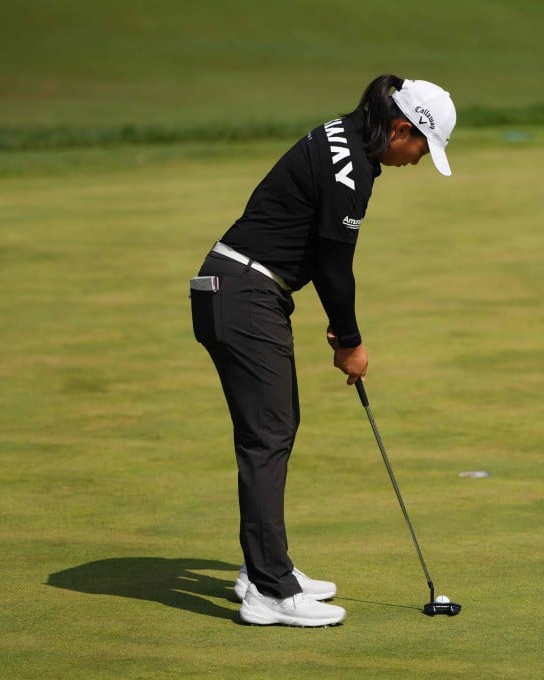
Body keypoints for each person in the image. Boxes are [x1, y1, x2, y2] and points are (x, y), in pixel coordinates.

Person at [189, 75, 456, 627]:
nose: (418, 161)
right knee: (268, 436)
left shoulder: (348, 138)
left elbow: (315, 247)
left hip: (239, 289)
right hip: (245, 293)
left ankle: (264, 567)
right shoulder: (352, 168)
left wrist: (339, 324)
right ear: (402, 128)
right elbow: (335, 265)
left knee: (271, 431)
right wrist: (351, 341)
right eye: (422, 148)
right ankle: (269, 590)